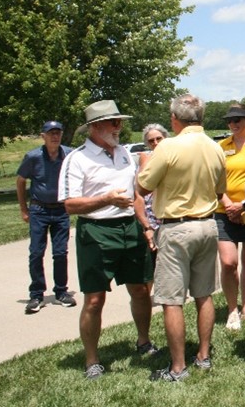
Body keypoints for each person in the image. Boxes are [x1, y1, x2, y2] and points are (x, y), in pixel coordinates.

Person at [58, 100, 158, 381]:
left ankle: (143, 341)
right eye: (114, 122)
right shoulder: (76, 159)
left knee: (140, 290)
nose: (119, 127)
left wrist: (145, 225)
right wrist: (106, 199)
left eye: (120, 121)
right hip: (96, 232)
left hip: (130, 228)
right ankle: (92, 360)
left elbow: (137, 193)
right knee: (94, 299)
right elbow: (69, 204)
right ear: (95, 127)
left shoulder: (125, 154)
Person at [137, 94, 226, 382]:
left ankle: (177, 367)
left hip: (176, 228)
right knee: (204, 294)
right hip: (208, 224)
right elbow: (219, 188)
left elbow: (143, 184)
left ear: (175, 120)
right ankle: (203, 355)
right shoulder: (215, 147)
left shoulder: (168, 147)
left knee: (171, 299)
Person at [17, 120, 75, 314]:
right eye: (50, 133)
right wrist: (24, 209)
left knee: (60, 253)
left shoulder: (68, 154)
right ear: (43, 136)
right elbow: (20, 181)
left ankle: (61, 292)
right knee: (36, 252)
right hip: (39, 210)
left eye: (58, 132)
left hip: (60, 211)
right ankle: (36, 295)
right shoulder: (33, 157)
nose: (55, 136)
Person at [216, 103, 245, 330]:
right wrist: (228, 205)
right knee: (228, 263)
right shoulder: (220, 146)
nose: (233, 124)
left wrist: (243, 205)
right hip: (223, 211)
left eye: (238, 119)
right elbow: (214, 180)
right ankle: (231, 309)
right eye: (230, 120)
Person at [138, 123, 169, 293]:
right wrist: (145, 225)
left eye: (159, 138)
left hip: (170, 219)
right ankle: (146, 300)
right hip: (151, 219)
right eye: (151, 141)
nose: (155, 143)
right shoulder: (145, 159)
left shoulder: (173, 156)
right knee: (149, 265)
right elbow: (138, 194)